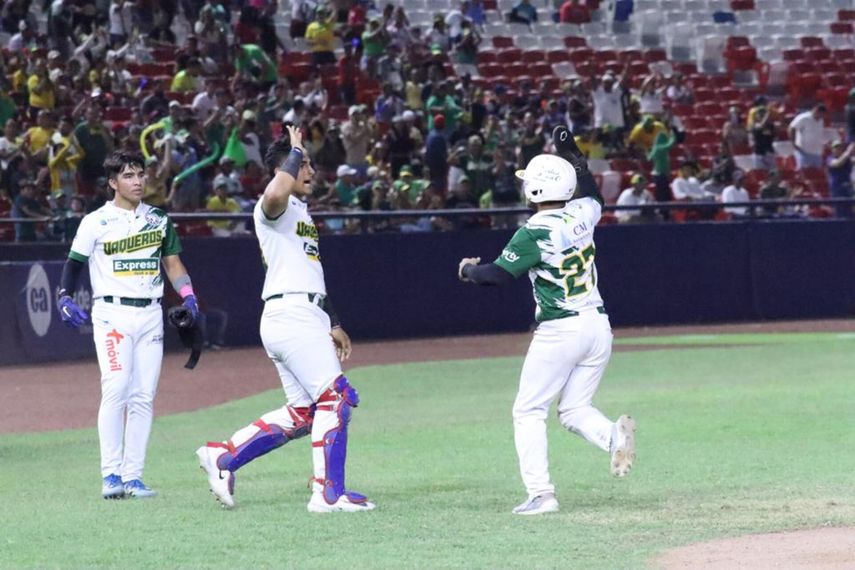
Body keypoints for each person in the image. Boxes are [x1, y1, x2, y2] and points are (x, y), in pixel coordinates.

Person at [457, 126, 636, 515]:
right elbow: (590, 189)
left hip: (561, 329)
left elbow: (499, 276)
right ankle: (612, 436)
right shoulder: (583, 213)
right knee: (573, 410)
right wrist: (573, 153)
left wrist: (469, 269)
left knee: (528, 411)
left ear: (534, 190)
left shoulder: (533, 232)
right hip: (597, 326)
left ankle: (541, 494)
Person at [195, 126, 375, 513]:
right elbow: (276, 191)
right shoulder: (273, 206)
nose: (310, 169)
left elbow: (308, 271)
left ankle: (224, 458)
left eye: (308, 162)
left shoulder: (300, 211)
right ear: (285, 168)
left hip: (299, 313)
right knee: (337, 398)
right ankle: (328, 493)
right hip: (291, 315)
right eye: (303, 163)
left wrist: (332, 319)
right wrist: (293, 151)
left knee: (306, 413)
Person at [55, 151, 199, 499]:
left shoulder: (158, 219)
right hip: (112, 315)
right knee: (116, 386)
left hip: (150, 314)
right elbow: (74, 264)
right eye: (129, 176)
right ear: (113, 182)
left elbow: (173, 264)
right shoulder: (96, 221)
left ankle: (133, 477)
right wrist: (64, 296)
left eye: (140, 174)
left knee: (143, 396)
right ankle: (110, 475)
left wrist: (189, 296)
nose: (137, 181)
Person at [788, 104, 827, 170]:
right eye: (820, 113)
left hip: (817, 153)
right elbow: (792, 128)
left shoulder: (821, 120)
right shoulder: (803, 118)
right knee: (803, 173)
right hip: (804, 151)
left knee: (816, 175)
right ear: (815, 110)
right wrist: (793, 143)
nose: (821, 116)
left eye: (822, 114)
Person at [826, 140, 854, 219]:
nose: (838, 149)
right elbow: (837, 164)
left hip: (848, 189)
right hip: (837, 189)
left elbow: (851, 160)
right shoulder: (830, 159)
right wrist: (848, 152)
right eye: (836, 148)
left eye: (840, 147)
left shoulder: (847, 160)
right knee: (840, 213)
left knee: (850, 213)